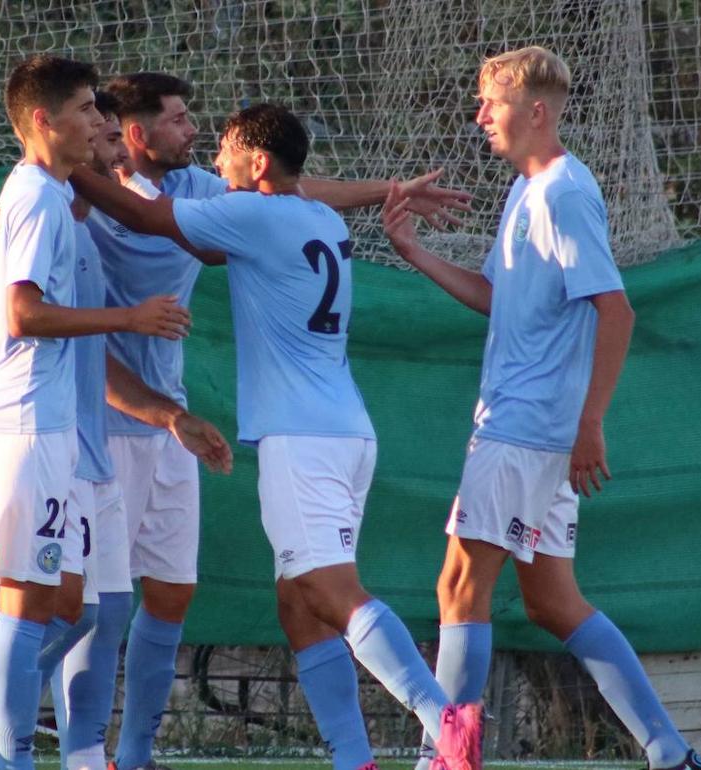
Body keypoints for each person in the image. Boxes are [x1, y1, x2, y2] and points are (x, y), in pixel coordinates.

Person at [69, 102, 484, 770]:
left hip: (303, 439)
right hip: (344, 431)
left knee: (328, 591)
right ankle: (356, 760)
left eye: (227, 150)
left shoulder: (253, 215)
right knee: (297, 605)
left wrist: (58, 163)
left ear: (258, 163)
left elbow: (149, 219)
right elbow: (200, 241)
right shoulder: (313, 215)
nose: (215, 161)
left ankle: (445, 721)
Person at [380, 46, 701, 770]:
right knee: (554, 604)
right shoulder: (525, 192)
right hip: (531, 430)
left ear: (534, 111)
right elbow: (500, 300)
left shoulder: (564, 192)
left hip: (528, 427)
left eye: (489, 104)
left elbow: (615, 310)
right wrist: (417, 253)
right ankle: (671, 754)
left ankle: (448, 761)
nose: (479, 118)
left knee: (459, 585)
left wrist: (589, 423)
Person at [0, 58, 201, 770]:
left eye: (104, 117)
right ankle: (3, 754)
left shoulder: (61, 203)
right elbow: (17, 314)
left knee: (78, 608)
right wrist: (129, 316)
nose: (102, 128)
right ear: (46, 120)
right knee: (32, 606)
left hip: (56, 433)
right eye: (91, 113)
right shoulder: (30, 200)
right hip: (30, 429)